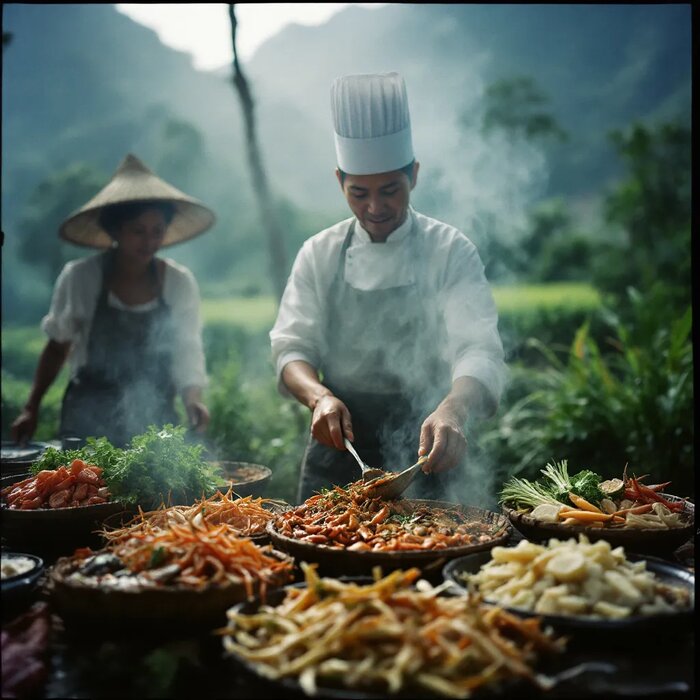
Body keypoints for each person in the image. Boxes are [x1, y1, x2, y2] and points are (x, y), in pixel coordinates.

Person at [270, 72, 508, 503]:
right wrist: (319, 397)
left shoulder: (450, 250)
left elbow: (479, 349)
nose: (375, 208)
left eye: (390, 190)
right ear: (339, 179)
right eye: (359, 193)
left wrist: (454, 408)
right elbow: (291, 350)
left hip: (433, 447)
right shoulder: (319, 253)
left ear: (413, 175)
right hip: (342, 447)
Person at [11, 153, 216, 448]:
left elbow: (187, 348)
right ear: (114, 230)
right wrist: (31, 408)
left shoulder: (179, 282)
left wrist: (193, 399)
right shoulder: (81, 277)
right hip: (87, 417)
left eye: (157, 231)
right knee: (83, 491)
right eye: (138, 231)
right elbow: (57, 347)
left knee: (156, 490)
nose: (149, 242)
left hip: (155, 417)